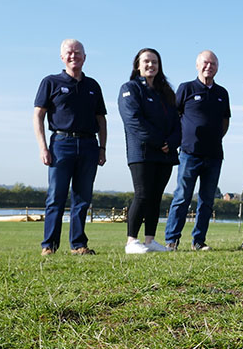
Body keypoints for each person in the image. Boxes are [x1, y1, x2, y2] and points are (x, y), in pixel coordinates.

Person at [34, 39, 107, 256]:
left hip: (88, 144)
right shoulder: (51, 82)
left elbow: (101, 120)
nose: (73, 56)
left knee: (82, 198)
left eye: (77, 52)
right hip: (61, 144)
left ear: (85, 57)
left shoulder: (93, 86)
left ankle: (78, 245)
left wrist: (102, 148)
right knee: (56, 196)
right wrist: (43, 147)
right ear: (62, 57)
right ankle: (49, 245)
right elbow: (38, 115)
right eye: (69, 52)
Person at [164, 50, 231, 251]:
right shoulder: (186, 88)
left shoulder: (222, 93)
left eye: (212, 64)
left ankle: (198, 241)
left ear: (217, 67)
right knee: (182, 197)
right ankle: (172, 240)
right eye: (205, 63)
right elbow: (173, 115)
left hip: (214, 155)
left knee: (207, 201)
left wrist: (215, 137)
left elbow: (225, 122)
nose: (208, 67)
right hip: (189, 153)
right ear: (197, 65)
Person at [118, 48, 181, 254]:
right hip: (142, 152)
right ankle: (131, 241)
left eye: (154, 62)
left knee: (156, 196)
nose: (150, 65)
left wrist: (171, 142)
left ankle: (150, 240)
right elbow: (133, 120)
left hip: (165, 153)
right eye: (146, 61)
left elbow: (177, 123)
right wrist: (158, 141)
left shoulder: (166, 92)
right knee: (143, 194)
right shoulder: (130, 88)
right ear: (138, 65)